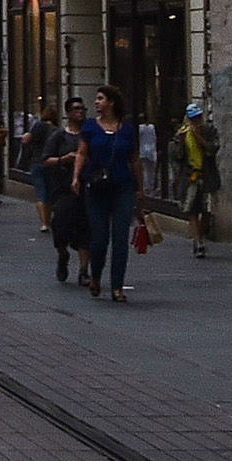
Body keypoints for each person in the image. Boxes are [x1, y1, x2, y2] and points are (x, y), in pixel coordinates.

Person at [74, 86, 141, 302]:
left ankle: (117, 287)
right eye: (97, 99)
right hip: (97, 188)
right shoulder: (90, 126)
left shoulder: (127, 129)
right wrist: (76, 177)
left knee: (120, 238)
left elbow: (135, 159)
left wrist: (140, 188)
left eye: (101, 98)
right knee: (100, 238)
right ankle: (95, 276)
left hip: (123, 187)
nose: (96, 102)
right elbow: (82, 153)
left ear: (111, 102)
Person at [34, 110, 85, 284]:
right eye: (76, 109)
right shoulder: (59, 136)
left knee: (86, 230)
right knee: (61, 228)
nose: (80, 112)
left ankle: (84, 271)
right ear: (68, 114)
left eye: (82, 108)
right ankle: (63, 255)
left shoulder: (89, 135)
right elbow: (46, 160)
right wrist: (63, 159)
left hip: (87, 189)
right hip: (63, 189)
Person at [176, 105, 221, 257]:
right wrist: (181, 142)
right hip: (190, 177)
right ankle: (198, 242)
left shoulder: (209, 130)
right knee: (193, 210)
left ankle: (200, 237)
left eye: (198, 118)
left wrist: (198, 137)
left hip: (207, 176)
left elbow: (213, 148)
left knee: (207, 211)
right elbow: (177, 157)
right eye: (193, 119)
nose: (196, 121)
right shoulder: (182, 132)